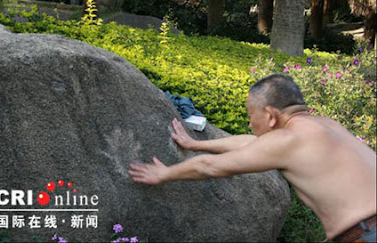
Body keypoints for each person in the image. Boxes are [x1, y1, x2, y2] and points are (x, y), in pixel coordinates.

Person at [128, 74, 376, 242]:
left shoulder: (287, 140)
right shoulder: (323, 126)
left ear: (269, 115)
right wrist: (194, 143)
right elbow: (252, 143)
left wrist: (165, 174)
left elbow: (210, 167)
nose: (250, 122)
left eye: (251, 115)